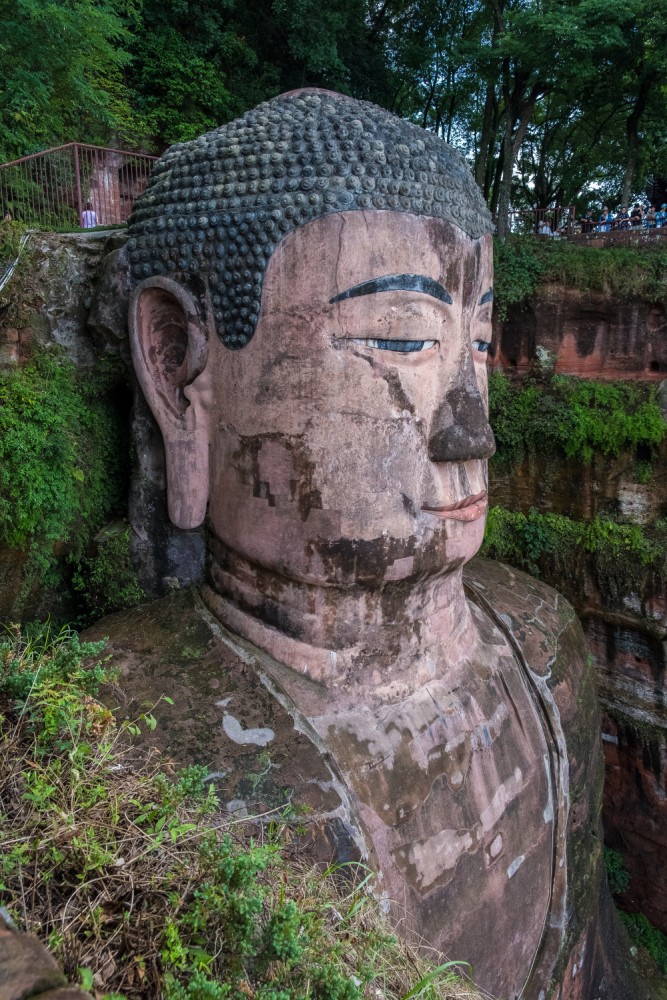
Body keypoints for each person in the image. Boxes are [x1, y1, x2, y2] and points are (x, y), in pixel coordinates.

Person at [123, 90, 629, 999]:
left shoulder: (542, 645)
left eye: (474, 346)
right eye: (401, 336)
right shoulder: (134, 767)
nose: (471, 432)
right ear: (178, 367)